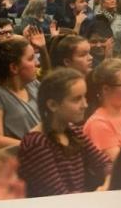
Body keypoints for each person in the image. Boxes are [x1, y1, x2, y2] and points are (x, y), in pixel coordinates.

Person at [17, 68, 112, 197]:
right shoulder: (37, 143)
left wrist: (106, 185)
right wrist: (98, 194)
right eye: (76, 99)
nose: (85, 105)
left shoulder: (73, 132)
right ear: (52, 105)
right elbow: (59, 195)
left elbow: (105, 164)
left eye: (85, 97)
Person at [0, 37, 41, 150]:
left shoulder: (34, 84)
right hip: (24, 157)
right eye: (31, 59)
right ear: (14, 68)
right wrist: (34, 146)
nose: (37, 62)